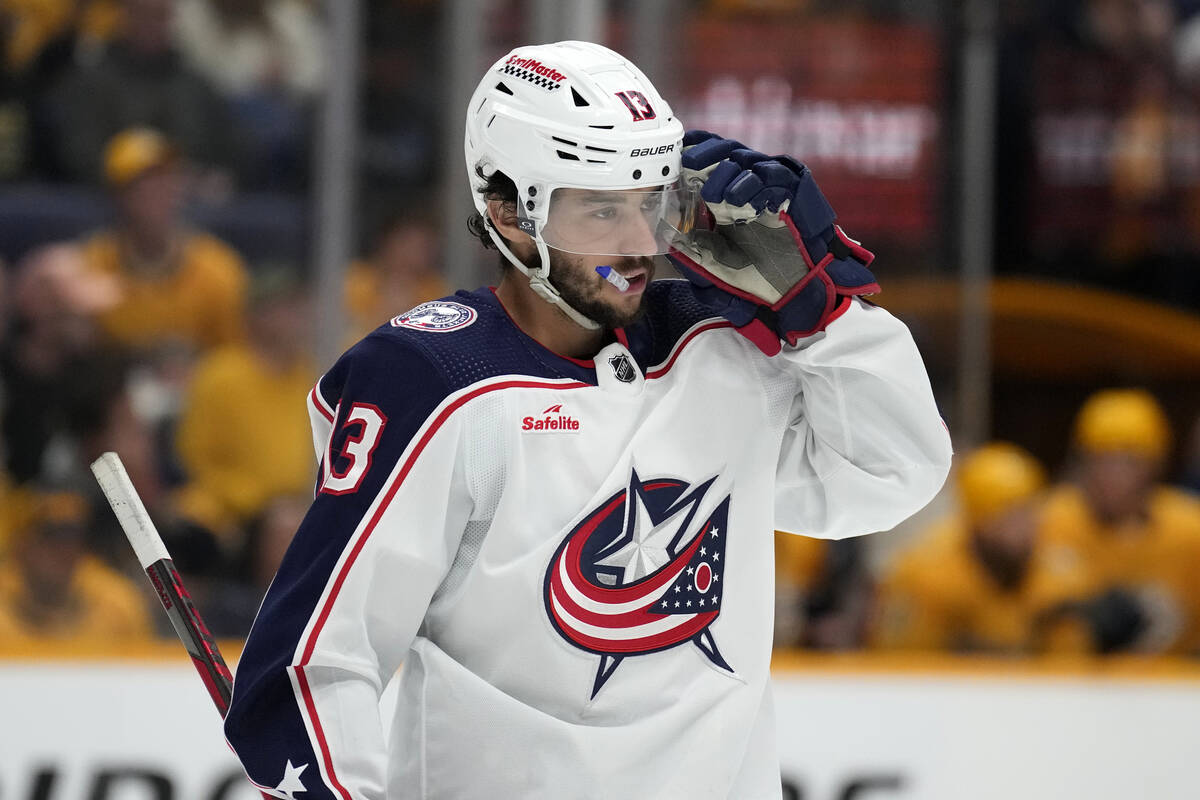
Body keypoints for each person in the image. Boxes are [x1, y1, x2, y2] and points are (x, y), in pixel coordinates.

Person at [223, 41, 951, 799]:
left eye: (650, 205)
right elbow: (316, 661)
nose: (638, 246)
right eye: (602, 210)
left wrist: (823, 313)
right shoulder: (433, 380)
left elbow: (890, 477)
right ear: (509, 212)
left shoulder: (720, 345)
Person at [871, 442, 1091, 654]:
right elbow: (901, 663)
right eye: (1008, 516)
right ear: (977, 521)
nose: (1024, 529)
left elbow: (1072, 664)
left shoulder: (1059, 576)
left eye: (1028, 512)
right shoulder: (925, 575)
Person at [1040, 388, 1200, 653]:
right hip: (1065, 674)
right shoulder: (1048, 520)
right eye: (1101, 459)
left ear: (1156, 464)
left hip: (1168, 674)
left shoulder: (1190, 529)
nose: (1112, 475)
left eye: (1129, 461)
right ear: (1082, 463)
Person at [79, 127, 249, 355]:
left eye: (167, 181)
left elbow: (232, 358)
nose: (159, 194)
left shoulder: (219, 269)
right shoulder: (91, 265)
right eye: (143, 184)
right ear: (118, 196)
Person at [0, 486, 152, 644]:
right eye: (50, 537)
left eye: (73, 538)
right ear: (21, 543)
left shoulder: (117, 603)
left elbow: (143, 658)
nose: (64, 550)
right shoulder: (4, 595)